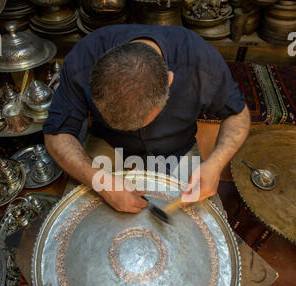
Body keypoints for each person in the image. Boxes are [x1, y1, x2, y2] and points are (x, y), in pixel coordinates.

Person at [44, 24, 250, 213]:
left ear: (169, 80)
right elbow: (56, 134)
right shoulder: (84, 58)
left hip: (176, 148)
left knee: (206, 225)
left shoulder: (200, 62)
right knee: (76, 219)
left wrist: (216, 163)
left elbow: (238, 115)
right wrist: (101, 182)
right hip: (110, 143)